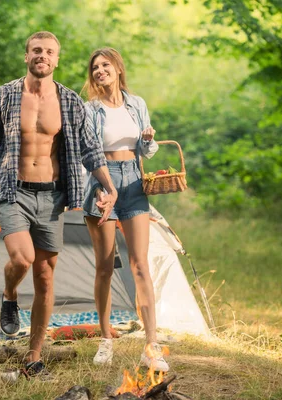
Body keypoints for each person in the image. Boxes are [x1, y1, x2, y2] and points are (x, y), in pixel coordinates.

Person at [0, 32, 117, 379]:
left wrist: (110, 187)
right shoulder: (3, 96)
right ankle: (9, 292)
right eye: (36, 50)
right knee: (22, 257)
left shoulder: (70, 101)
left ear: (57, 59)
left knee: (45, 278)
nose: (42, 56)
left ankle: (33, 358)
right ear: (26, 55)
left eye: (49, 52)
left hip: (53, 196)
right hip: (12, 190)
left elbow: (91, 150)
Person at [81, 47, 169, 372]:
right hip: (102, 183)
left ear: (118, 68)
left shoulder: (138, 104)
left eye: (105, 65)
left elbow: (147, 150)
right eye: (95, 67)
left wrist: (147, 139)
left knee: (140, 265)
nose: (100, 70)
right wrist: (106, 187)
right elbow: (87, 153)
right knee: (105, 267)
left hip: (133, 181)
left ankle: (152, 344)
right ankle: (106, 339)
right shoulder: (89, 109)